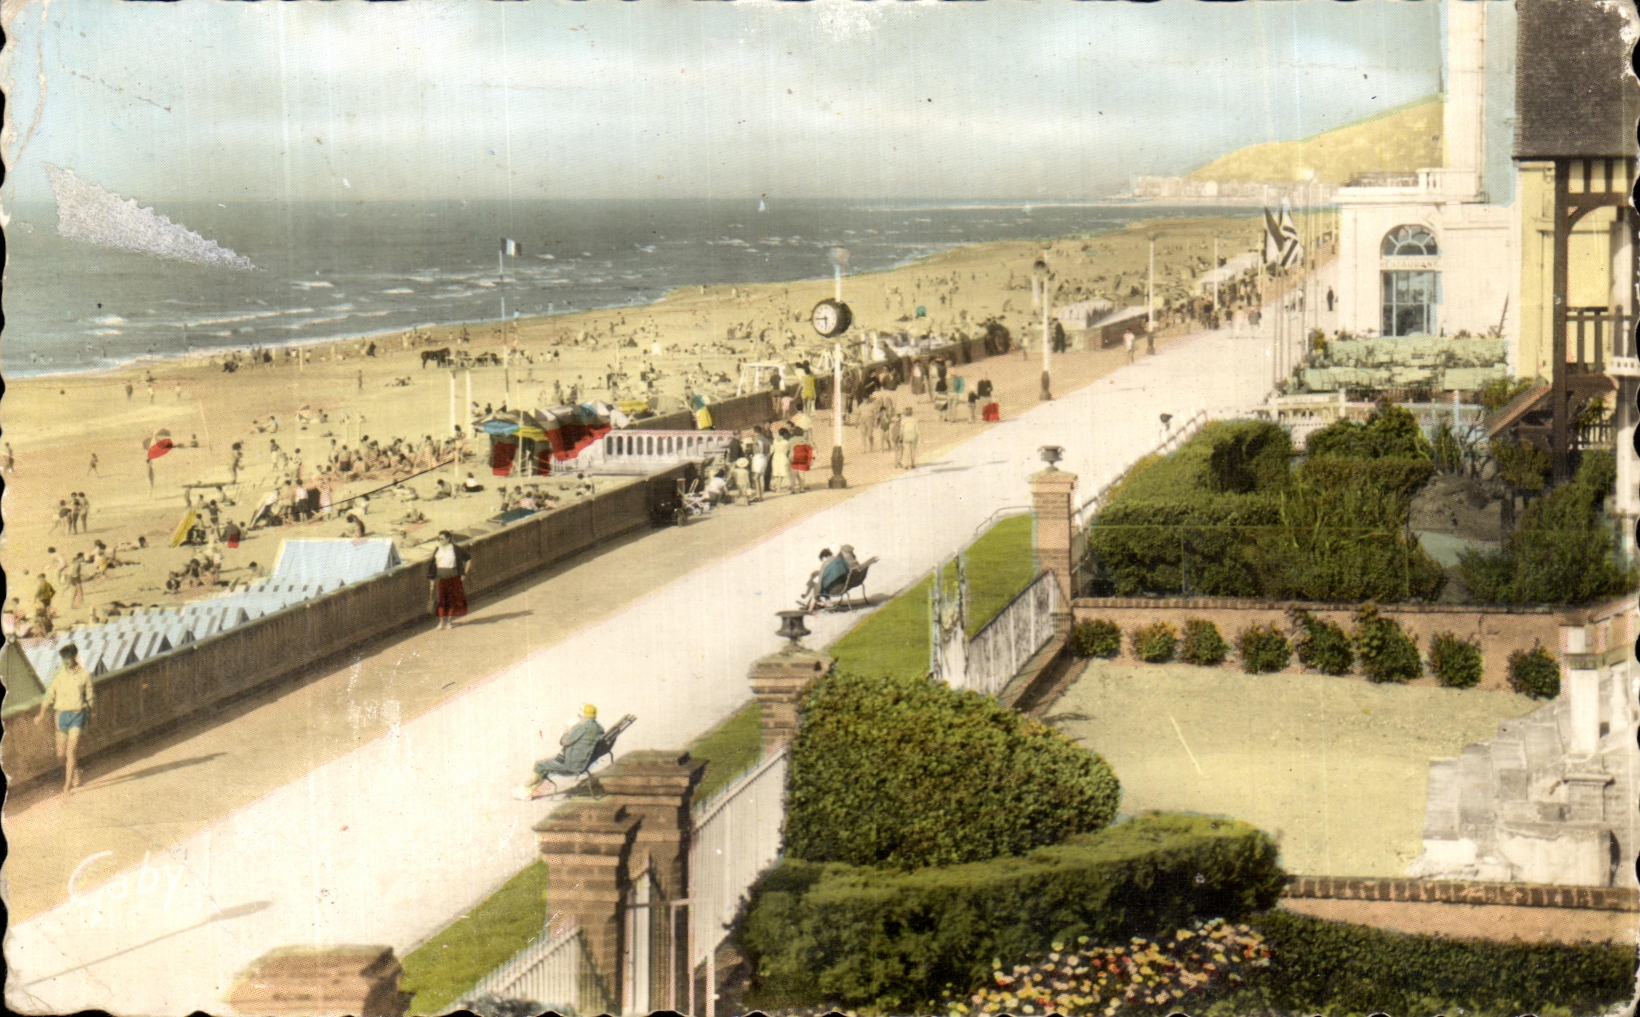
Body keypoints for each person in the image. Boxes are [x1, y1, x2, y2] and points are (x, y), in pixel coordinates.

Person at [515, 703, 605, 799]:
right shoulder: (598, 728)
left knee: (539, 765)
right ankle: (529, 789)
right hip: (580, 761)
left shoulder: (582, 726)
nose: (579, 717)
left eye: (579, 715)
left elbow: (564, 741)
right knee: (545, 763)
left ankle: (527, 790)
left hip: (571, 764)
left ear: (583, 715)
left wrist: (567, 730)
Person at [39, 644, 94, 793]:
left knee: (71, 751)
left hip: (78, 714)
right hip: (61, 715)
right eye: (63, 659)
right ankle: (75, 770)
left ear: (75, 658)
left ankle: (67, 786)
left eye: (68, 659)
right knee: (61, 753)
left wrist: (90, 714)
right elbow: (49, 694)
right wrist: (42, 714)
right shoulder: (59, 674)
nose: (65, 662)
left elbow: (90, 698)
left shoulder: (85, 675)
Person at [427, 530, 472, 630]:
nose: (440, 540)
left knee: (452, 601)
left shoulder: (455, 549)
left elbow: (468, 559)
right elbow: (433, 566)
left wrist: (463, 573)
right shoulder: (437, 549)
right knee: (441, 601)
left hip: (453, 578)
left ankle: (449, 623)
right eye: (438, 538)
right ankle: (441, 623)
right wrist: (432, 581)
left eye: (442, 539)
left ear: (448, 539)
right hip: (442, 579)